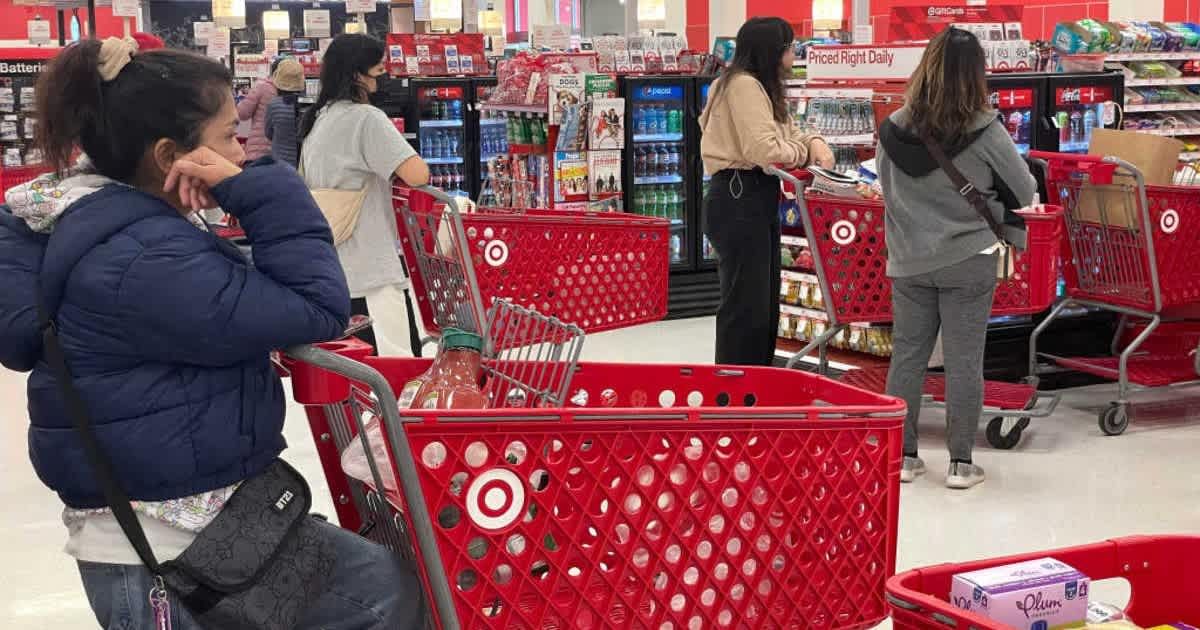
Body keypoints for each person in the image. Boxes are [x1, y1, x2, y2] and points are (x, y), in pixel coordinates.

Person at [0, 37, 424, 628]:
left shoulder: (111, 224)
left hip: (170, 521)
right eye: (228, 136)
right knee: (385, 594)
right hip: (171, 548)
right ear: (170, 154)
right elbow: (315, 304)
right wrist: (261, 190)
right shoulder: (143, 259)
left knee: (383, 582)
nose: (241, 150)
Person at [876, 27, 1036, 490]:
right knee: (965, 360)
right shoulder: (985, 129)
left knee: (907, 357)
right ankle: (961, 465)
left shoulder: (892, 128)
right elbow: (1025, 190)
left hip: (908, 258)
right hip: (968, 257)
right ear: (976, 74)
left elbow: (886, 191)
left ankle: (902, 458)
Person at [699, 17, 834, 366]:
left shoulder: (754, 86)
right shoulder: (744, 87)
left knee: (760, 304)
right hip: (738, 195)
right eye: (789, 46)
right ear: (772, 51)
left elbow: (788, 134)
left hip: (748, 195)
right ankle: (736, 394)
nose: (793, 53)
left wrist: (813, 140)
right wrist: (805, 152)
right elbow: (766, 150)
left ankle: (756, 386)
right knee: (746, 307)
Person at [300, 33, 431, 356]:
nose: (383, 75)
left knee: (354, 372)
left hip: (333, 264)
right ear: (358, 73)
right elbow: (418, 173)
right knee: (394, 368)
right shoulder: (366, 118)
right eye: (379, 67)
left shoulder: (319, 118)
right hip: (371, 263)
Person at [236, 57, 282, 161]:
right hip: (282, 153)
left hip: (258, 150)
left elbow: (242, 113)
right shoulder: (292, 92)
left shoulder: (261, 87)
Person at [265, 57, 305, 167]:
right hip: (303, 162)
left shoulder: (274, 105)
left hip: (280, 163)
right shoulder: (308, 107)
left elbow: (268, 133)